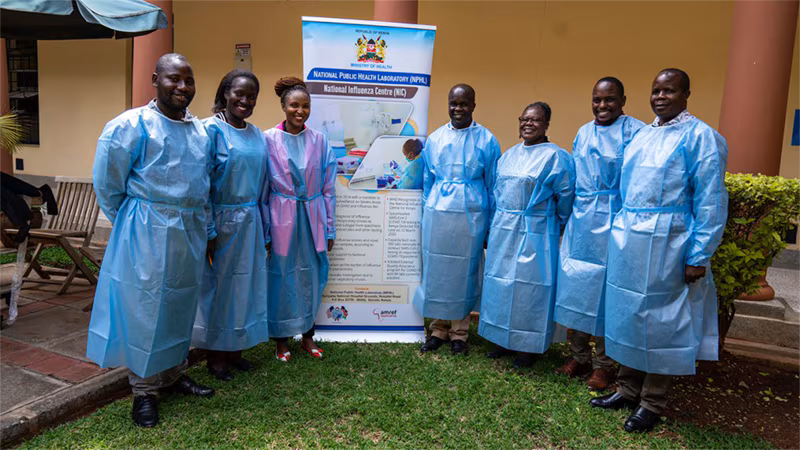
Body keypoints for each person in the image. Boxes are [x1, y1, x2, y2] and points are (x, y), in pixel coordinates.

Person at [590, 69, 728, 433]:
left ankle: (652, 401)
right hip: (631, 241)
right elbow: (625, 189)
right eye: (655, 91)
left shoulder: (701, 137)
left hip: (672, 240)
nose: (660, 97)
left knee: (663, 321)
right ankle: (626, 388)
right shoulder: (641, 136)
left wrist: (699, 254)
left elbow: (711, 200)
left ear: (686, 94)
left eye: (669, 90)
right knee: (631, 313)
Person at [86, 53, 215, 428]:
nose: (182, 87)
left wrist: (202, 228)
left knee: (180, 303)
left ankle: (173, 374)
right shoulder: (131, 125)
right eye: (174, 79)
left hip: (188, 230)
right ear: (155, 79)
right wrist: (135, 222)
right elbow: (108, 184)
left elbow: (202, 186)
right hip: (146, 229)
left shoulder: (199, 131)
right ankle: (144, 391)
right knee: (146, 306)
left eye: (188, 80)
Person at [554, 77, 645, 389]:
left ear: (623, 100)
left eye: (609, 99)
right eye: (597, 99)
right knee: (578, 285)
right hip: (582, 218)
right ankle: (579, 356)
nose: (602, 105)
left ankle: (604, 364)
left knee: (608, 292)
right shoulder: (583, 132)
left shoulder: (636, 132)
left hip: (617, 218)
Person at [478, 102, 575, 368]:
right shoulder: (509, 155)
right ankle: (501, 338)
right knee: (501, 284)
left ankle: (528, 346)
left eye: (536, 119)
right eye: (524, 119)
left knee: (529, 289)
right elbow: (497, 193)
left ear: (546, 124)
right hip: (504, 230)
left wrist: (561, 224)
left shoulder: (556, 156)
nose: (528, 124)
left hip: (537, 232)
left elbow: (565, 195)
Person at [191, 70, 269, 381]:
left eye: (251, 96)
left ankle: (236, 349)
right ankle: (215, 355)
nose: (245, 101)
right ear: (225, 92)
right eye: (239, 93)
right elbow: (202, 183)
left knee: (244, 286)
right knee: (219, 289)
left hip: (250, 220)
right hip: (221, 221)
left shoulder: (256, 134)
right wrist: (209, 229)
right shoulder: (210, 131)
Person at [413, 84, 502, 356]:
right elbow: (427, 180)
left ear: (473, 105)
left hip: (471, 213)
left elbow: (493, 184)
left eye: (464, 104)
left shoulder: (487, 140)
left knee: (464, 271)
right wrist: (429, 210)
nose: (458, 109)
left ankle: (460, 333)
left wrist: (489, 221)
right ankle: (438, 330)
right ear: (448, 104)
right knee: (438, 269)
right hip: (438, 212)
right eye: (453, 103)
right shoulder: (436, 139)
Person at [264, 77, 336, 362]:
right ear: (283, 106)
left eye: (305, 106)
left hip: (313, 216)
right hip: (281, 216)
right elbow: (262, 188)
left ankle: (308, 335)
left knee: (311, 275)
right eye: (294, 105)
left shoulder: (319, 140)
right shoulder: (268, 139)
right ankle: (281, 341)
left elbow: (329, 188)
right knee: (281, 275)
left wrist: (329, 228)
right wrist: (266, 230)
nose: (300, 111)